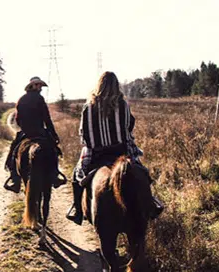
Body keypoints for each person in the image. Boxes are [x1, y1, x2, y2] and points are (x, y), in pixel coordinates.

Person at [66, 71, 164, 224]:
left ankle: (77, 209)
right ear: (116, 86)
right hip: (122, 152)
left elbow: (83, 134)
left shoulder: (88, 107)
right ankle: (150, 203)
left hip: (96, 154)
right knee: (143, 173)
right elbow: (129, 126)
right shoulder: (123, 104)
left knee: (77, 175)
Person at [4, 76, 65, 193]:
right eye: (38, 85)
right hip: (40, 132)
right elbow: (47, 119)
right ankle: (55, 175)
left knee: (13, 151)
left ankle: (15, 181)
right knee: (53, 150)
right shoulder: (40, 99)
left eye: (40, 85)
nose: (40, 88)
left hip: (25, 132)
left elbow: (18, 119)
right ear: (32, 86)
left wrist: (24, 127)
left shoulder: (21, 99)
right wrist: (54, 135)